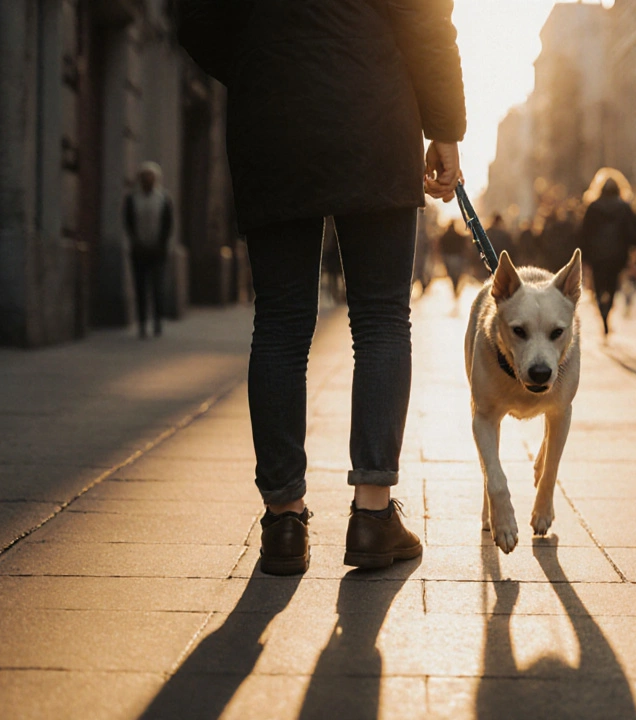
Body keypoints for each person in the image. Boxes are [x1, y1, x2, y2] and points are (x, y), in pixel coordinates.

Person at [178, 0, 465, 574]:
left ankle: (284, 520)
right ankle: (373, 515)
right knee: (382, 318)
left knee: (280, 321)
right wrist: (446, 127)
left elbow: (198, 19)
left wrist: (266, 66)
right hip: (375, 107)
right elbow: (426, 17)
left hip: (272, 116)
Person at [578, 168, 636, 337]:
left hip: (597, 255)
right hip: (618, 255)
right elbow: (632, 232)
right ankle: (608, 309)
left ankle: (603, 313)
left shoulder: (593, 207)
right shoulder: (624, 207)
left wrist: (585, 256)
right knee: (612, 285)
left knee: (598, 286)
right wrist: (633, 251)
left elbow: (584, 233)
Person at [122, 161, 174, 339]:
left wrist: (160, 244)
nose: (147, 181)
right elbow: (128, 223)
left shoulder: (163, 199)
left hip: (157, 251)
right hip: (139, 251)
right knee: (140, 288)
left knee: (157, 287)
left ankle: (158, 321)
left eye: (150, 177)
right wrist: (136, 242)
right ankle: (142, 323)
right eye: (144, 177)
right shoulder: (132, 199)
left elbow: (168, 225)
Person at [440, 221, 468, 298]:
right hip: (456, 257)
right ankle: (455, 286)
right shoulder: (457, 235)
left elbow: (440, 246)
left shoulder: (445, 236)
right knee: (456, 274)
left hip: (449, 257)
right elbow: (464, 245)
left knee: (452, 274)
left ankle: (454, 286)